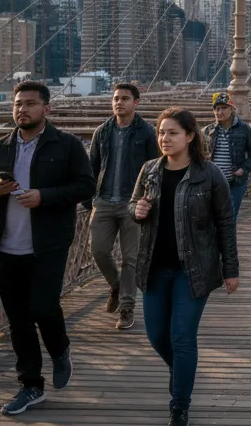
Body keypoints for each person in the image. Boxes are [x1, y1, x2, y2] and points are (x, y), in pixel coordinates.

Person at [0, 80, 95, 416]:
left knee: (42, 307)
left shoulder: (66, 145)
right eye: (17, 104)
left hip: (48, 245)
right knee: (18, 322)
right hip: (6, 246)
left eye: (30, 103)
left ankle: (60, 349)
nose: (22, 109)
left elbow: (85, 186)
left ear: (46, 109)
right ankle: (30, 386)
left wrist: (44, 196)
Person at [132, 108, 238, 426]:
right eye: (161, 132)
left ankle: (179, 405)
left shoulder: (209, 174)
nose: (165, 138)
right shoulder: (149, 170)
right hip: (154, 267)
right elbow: (133, 205)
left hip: (193, 269)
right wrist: (135, 209)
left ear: (190, 136)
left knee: (181, 337)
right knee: (156, 335)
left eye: (173, 132)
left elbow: (225, 222)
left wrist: (231, 268)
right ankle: (181, 370)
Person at [87, 81, 159, 331]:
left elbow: (155, 168)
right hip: (104, 201)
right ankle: (116, 285)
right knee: (98, 250)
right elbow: (92, 167)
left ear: (135, 103)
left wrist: (148, 199)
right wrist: (89, 199)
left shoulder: (148, 132)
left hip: (132, 202)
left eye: (125, 98)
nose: (119, 102)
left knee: (130, 257)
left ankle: (127, 308)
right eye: (116, 98)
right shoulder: (102, 132)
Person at [203, 92, 251, 221]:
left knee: (229, 218)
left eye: (224, 108)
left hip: (235, 182)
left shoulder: (244, 128)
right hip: (214, 183)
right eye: (217, 109)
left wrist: (243, 169)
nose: (220, 112)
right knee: (213, 218)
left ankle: (229, 242)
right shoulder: (208, 131)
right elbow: (202, 155)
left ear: (231, 109)